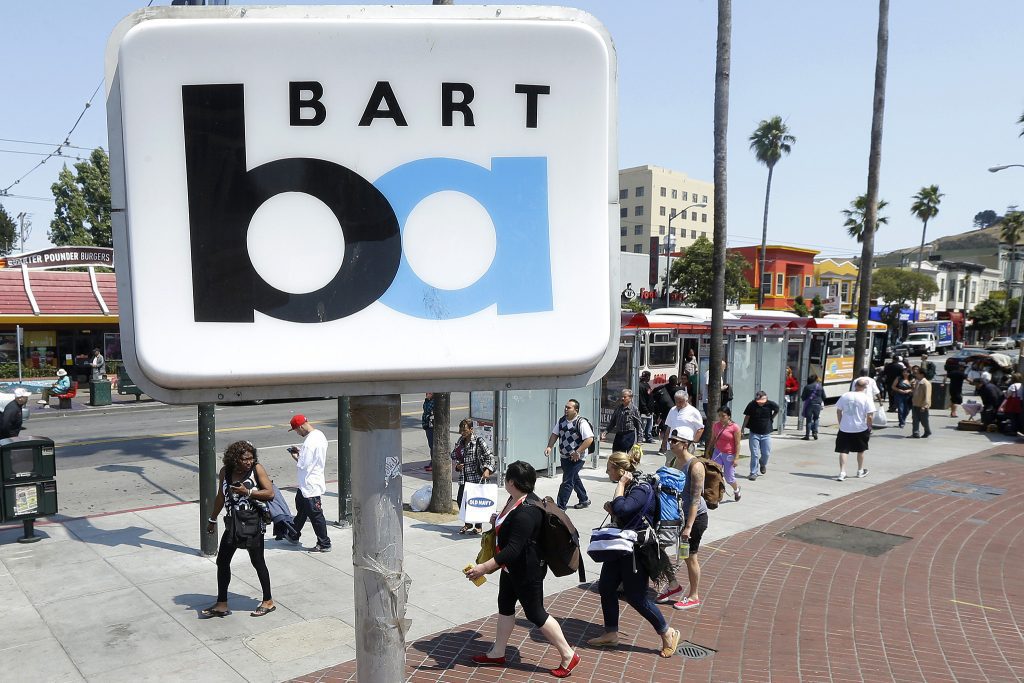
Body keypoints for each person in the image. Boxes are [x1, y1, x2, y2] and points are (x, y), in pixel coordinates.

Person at [464, 461, 580, 678]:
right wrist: (496, 520)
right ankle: (498, 652)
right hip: (511, 570)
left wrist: (484, 568)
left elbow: (513, 550)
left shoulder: (527, 512)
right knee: (505, 605)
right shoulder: (515, 499)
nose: (504, 480)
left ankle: (568, 654)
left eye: (507, 478)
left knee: (536, 613)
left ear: (512, 482)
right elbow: (509, 529)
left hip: (527, 570)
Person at [586, 449, 681, 658]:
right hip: (620, 547)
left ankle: (668, 632)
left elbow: (623, 509)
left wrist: (619, 489)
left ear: (620, 470)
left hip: (636, 551)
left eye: (610, 469)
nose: (607, 472)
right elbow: (625, 512)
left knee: (636, 596)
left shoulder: (640, 488)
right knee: (607, 587)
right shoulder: (631, 486)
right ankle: (611, 633)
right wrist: (614, 507)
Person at [202, 440, 276, 618]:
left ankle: (268, 601)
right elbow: (221, 496)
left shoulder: (257, 469)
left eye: (251, 458)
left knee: (257, 561)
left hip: (252, 523)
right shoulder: (225, 472)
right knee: (222, 561)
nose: (249, 461)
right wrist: (212, 519)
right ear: (235, 459)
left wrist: (248, 492)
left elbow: (270, 493)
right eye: (245, 459)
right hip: (233, 523)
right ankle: (221, 604)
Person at [668, 428, 709, 612]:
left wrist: (688, 527)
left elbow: (695, 499)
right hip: (680, 516)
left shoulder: (696, 466)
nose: (671, 443)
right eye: (670, 439)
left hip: (696, 519)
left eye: (674, 441)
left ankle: (694, 596)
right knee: (681, 555)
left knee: (691, 557)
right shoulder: (675, 461)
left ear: (685, 443)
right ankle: (673, 585)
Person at [285, 414, 332, 552]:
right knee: (302, 509)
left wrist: (295, 456)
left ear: (300, 426)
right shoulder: (319, 435)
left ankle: (324, 543)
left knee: (315, 514)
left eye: (296, 430)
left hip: (310, 484)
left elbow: (303, 464)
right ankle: (293, 534)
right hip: (307, 483)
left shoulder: (309, 442)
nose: (297, 433)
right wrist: (301, 452)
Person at [545, 399, 594, 510]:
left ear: (576, 410)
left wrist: (578, 452)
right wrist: (549, 447)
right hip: (564, 456)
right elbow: (554, 434)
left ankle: (560, 507)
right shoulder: (562, 421)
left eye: (569, 407)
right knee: (573, 478)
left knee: (567, 481)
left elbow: (589, 439)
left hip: (577, 458)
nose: (566, 409)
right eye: (566, 407)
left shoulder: (581, 422)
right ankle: (584, 499)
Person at [453, 418, 494, 534]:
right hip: (464, 478)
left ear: (471, 429)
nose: (462, 432)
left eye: (465, 430)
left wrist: (487, 470)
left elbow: (489, 456)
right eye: (461, 430)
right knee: (461, 500)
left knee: (476, 502)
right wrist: (458, 466)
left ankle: (478, 526)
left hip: (477, 478)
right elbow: (454, 455)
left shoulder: (479, 441)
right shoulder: (460, 441)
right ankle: (468, 523)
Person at [834, 378, 874, 481]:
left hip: (845, 427)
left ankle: (842, 472)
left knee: (843, 450)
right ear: (865, 388)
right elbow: (870, 415)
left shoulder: (845, 395)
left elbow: (839, 411)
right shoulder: (866, 398)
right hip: (860, 428)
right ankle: (860, 471)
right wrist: (869, 426)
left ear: (855, 385)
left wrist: (841, 423)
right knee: (861, 450)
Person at [742, 391, 779, 481]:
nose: (760, 404)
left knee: (766, 453)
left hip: (766, 433)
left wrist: (771, 419)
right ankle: (753, 473)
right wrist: (742, 428)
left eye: (762, 402)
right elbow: (747, 417)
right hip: (754, 433)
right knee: (754, 454)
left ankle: (762, 463)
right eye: (759, 402)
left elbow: (777, 410)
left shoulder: (771, 404)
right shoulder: (751, 405)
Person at [662, 391, 704, 466]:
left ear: (686, 400)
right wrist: (664, 442)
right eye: (676, 401)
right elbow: (669, 427)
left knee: (684, 466)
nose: (678, 404)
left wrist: (693, 442)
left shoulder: (693, 411)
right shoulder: (672, 410)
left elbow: (700, 429)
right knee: (669, 466)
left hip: (686, 445)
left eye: (680, 402)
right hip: (672, 444)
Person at [710, 407, 741, 501]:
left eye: (723, 416)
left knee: (729, 477)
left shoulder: (735, 427)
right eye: (719, 416)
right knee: (714, 473)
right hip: (717, 452)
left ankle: (736, 489)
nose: (721, 418)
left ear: (728, 416)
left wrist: (736, 458)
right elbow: (713, 439)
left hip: (729, 454)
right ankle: (716, 494)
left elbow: (737, 443)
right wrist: (708, 451)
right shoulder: (716, 425)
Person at [601, 389, 642, 453]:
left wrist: (639, 441)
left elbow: (639, 425)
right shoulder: (618, 408)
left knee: (625, 457)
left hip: (629, 436)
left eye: (625, 397)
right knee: (615, 455)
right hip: (619, 435)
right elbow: (612, 422)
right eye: (621, 396)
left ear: (630, 398)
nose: (622, 398)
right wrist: (605, 432)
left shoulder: (634, 409)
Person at [653, 376, 680, 454]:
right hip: (674, 412)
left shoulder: (664, 388)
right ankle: (665, 447)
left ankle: (663, 447)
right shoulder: (678, 390)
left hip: (664, 412)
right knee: (669, 431)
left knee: (665, 430)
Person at [910, 365, 932, 438]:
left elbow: (927, 396)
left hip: (922, 405)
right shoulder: (917, 382)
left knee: (924, 420)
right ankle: (915, 433)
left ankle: (927, 431)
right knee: (915, 419)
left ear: (922, 374)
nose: (915, 374)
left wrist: (925, 405)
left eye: (917, 373)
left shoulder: (926, 383)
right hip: (915, 404)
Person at [800, 373, 824, 440]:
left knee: (808, 420)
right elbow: (824, 397)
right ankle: (815, 433)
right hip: (817, 405)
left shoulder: (807, 387)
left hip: (809, 405)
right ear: (816, 379)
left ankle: (807, 436)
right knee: (816, 419)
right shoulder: (820, 387)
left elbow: (803, 398)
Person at [638, 371, 656, 443]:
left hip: (649, 410)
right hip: (644, 411)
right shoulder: (641, 386)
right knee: (643, 425)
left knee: (649, 426)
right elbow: (642, 400)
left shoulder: (646, 385)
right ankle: (640, 438)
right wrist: (646, 411)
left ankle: (648, 438)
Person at [421, 392, 435, 472]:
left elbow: (431, 413)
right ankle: (432, 462)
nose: (428, 394)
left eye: (430, 393)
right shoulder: (427, 401)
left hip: (432, 425)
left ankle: (433, 464)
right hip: (427, 425)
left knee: (433, 446)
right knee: (431, 445)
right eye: (427, 393)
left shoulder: (434, 402)